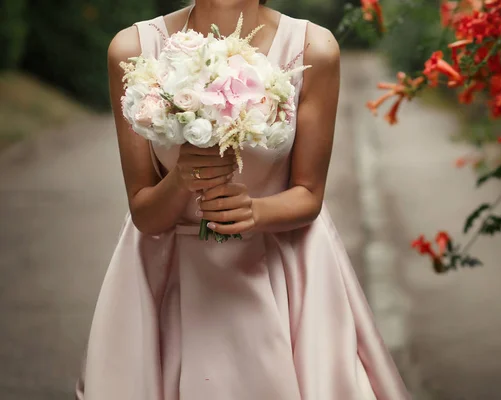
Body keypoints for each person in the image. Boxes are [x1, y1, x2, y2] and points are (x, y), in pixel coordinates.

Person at [76, 0, 411, 399]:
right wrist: (182, 178)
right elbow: (143, 212)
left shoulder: (313, 49)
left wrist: (253, 210)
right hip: (171, 281)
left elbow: (309, 194)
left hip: (281, 274)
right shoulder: (132, 49)